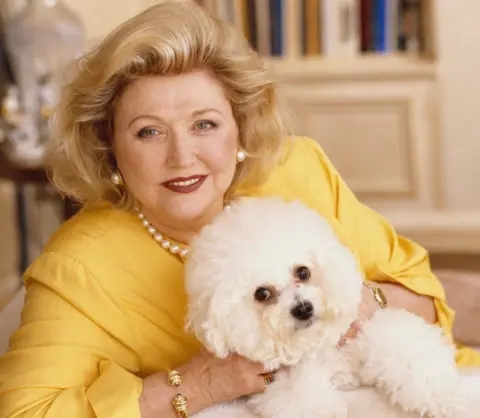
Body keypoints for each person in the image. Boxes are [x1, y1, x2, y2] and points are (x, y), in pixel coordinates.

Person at [0, 1, 478, 417]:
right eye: (149, 131)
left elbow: (429, 303)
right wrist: (200, 383)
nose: (182, 156)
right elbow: (26, 412)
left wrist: (364, 300)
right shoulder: (78, 269)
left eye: (205, 124)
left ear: (240, 128)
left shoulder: (298, 171)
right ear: (109, 148)